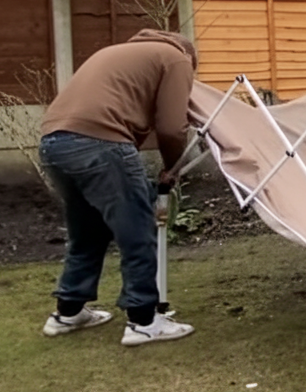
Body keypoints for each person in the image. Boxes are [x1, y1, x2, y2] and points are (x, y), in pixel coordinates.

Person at [38, 29, 197, 346]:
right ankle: (143, 322)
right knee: (137, 230)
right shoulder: (177, 59)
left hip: (53, 143)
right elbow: (171, 126)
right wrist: (171, 167)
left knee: (88, 231)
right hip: (101, 143)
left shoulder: (117, 53)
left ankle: (68, 312)